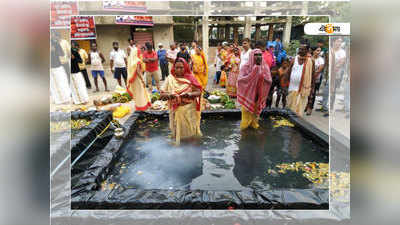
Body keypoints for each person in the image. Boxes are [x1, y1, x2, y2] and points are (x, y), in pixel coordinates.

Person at [160, 58, 203, 145]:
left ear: (186, 67)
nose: (179, 70)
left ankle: (190, 148)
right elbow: (161, 95)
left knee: (190, 133)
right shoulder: (170, 78)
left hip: (189, 110)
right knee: (176, 132)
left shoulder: (191, 78)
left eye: (181, 67)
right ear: (174, 68)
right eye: (177, 67)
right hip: (175, 110)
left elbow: (199, 91)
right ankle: (180, 147)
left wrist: (189, 94)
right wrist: (169, 95)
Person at [237, 49, 272, 130]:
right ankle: (244, 134)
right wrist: (255, 71)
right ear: (252, 56)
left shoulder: (265, 67)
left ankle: (254, 131)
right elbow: (240, 80)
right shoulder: (246, 67)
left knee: (255, 117)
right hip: (248, 96)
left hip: (258, 96)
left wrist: (261, 73)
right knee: (245, 118)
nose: (258, 57)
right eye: (256, 55)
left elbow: (269, 80)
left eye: (260, 55)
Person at [286, 47, 314, 117]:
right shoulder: (294, 59)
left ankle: (297, 122)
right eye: (300, 49)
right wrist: (284, 85)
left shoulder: (311, 61)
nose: (300, 50)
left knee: (299, 109)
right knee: (290, 107)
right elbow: (288, 72)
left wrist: (312, 89)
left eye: (303, 49)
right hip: (292, 88)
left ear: (307, 51)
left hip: (303, 89)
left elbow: (312, 76)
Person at [126, 41, 152, 111]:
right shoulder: (137, 61)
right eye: (138, 52)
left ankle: (138, 105)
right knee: (140, 91)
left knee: (137, 92)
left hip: (133, 79)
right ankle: (142, 105)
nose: (140, 53)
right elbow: (137, 71)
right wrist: (142, 79)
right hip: (137, 78)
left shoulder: (131, 60)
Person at [50, 30, 71, 104]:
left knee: (62, 82)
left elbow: (62, 53)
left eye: (52, 34)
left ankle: (65, 98)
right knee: (52, 85)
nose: (51, 35)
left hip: (58, 65)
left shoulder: (56, 43)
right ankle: (57, 99)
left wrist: (55, 51)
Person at [305, 46, 325, 115]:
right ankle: (306, 105)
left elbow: (320, 69)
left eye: (319, 51)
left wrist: (313, 76)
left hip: (315, 80)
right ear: (313, 51)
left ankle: (310, 108)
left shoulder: (321, 60)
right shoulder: (309, 58)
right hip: (307, 79)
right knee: (306, 93)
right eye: (317, 50)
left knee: (312, 94)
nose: (318, 52)